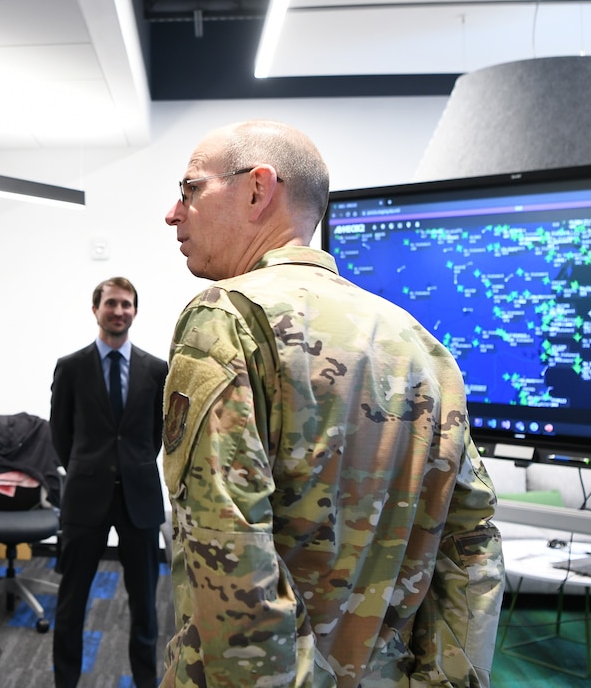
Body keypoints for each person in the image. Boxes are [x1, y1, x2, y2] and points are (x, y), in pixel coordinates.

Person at [160, 119, 505, 687]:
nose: (174, 213)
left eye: (190, 189)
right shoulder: (420, 344)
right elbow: (470, 544)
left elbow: (227, 551)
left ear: (257, 188)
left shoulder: (228, 317)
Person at [50, 277, 168, 688]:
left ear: (135, 311)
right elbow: (60, 434)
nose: (119, 311)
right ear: (96, 309)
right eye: (112, 303)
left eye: (127, 304)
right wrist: (87, 467)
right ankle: (65, 680)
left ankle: (145, 680)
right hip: (85, 497)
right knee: (72, 601)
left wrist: (131, 465)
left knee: (146, 607)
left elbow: (156, 435)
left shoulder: (156, 370)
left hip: (140, 498)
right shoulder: (71, 367)